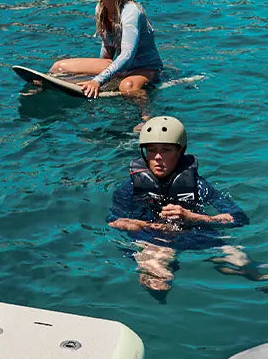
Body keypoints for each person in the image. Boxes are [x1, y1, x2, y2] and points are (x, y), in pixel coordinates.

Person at [107, 116, 252, 296]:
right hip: (152, 239)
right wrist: (150, 226)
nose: (158, 157)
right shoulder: (129, 188)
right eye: (151, 150)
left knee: (243, 265)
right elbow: (114, 221)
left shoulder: (198, 186)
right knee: (156, 279)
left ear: (181, 151)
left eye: (166, 150)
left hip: (194, 234)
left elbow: (239, 218)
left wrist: (191, 217)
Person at [50, 0, 163, 99]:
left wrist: (98, 80)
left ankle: (145, 116)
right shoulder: (101, 9)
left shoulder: (131, 11)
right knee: (58, 68)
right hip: (122, 67)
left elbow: (127, 55)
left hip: (145, 68)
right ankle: (43, 87)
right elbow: (108, 50)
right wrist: (96, 78)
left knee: (127, 87)